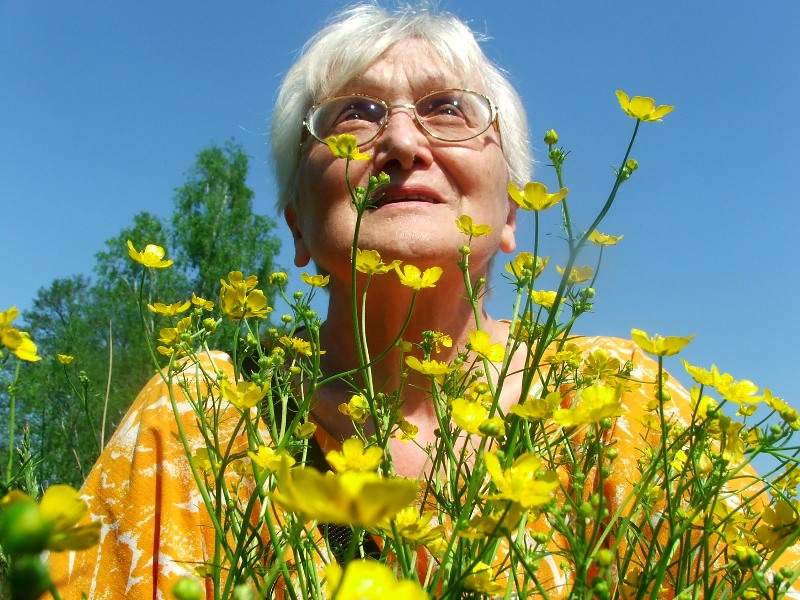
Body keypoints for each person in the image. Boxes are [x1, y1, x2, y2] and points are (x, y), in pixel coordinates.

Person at [47, 4, 799, 599]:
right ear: (298, 227)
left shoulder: (623, 403)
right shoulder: (203, 416)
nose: (402, 141)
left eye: (447, 109)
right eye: (353, 116)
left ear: (510, 216)